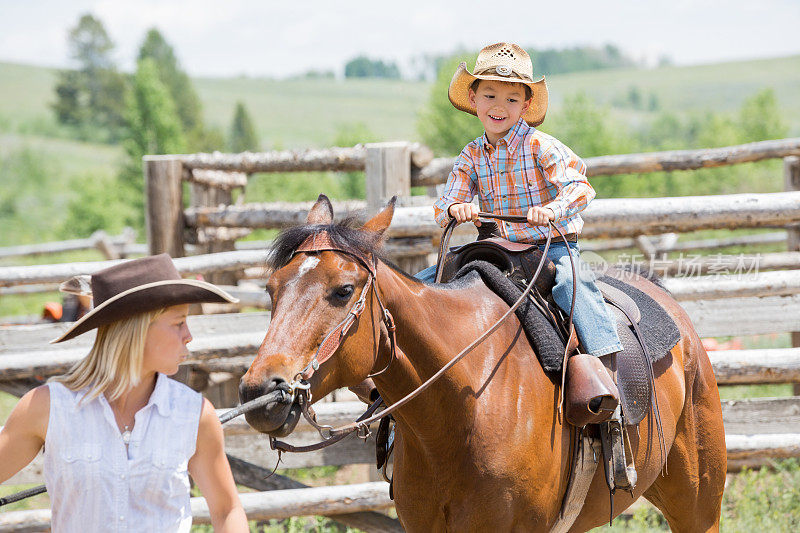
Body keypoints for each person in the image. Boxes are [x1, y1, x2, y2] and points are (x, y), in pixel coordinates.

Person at [416, 43, 623, 417]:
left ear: (525, 106)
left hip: (550, 247)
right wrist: (456, 209)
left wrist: (552, 209)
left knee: (572, 285)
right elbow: (444, 203)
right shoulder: (471, 155)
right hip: (495, 250)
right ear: (474, 99)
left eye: (511, 99)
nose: (499, 106)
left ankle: (607, 375)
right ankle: (399, 384)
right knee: (420, 286)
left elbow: (580, 187)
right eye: (490, 95)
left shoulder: (540, 146)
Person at [0, 254, 249, 532]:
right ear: (137, 328)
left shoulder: (195, 414)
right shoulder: (46, 407)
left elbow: (227, 510)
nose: (188, 335)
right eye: (178, 323)